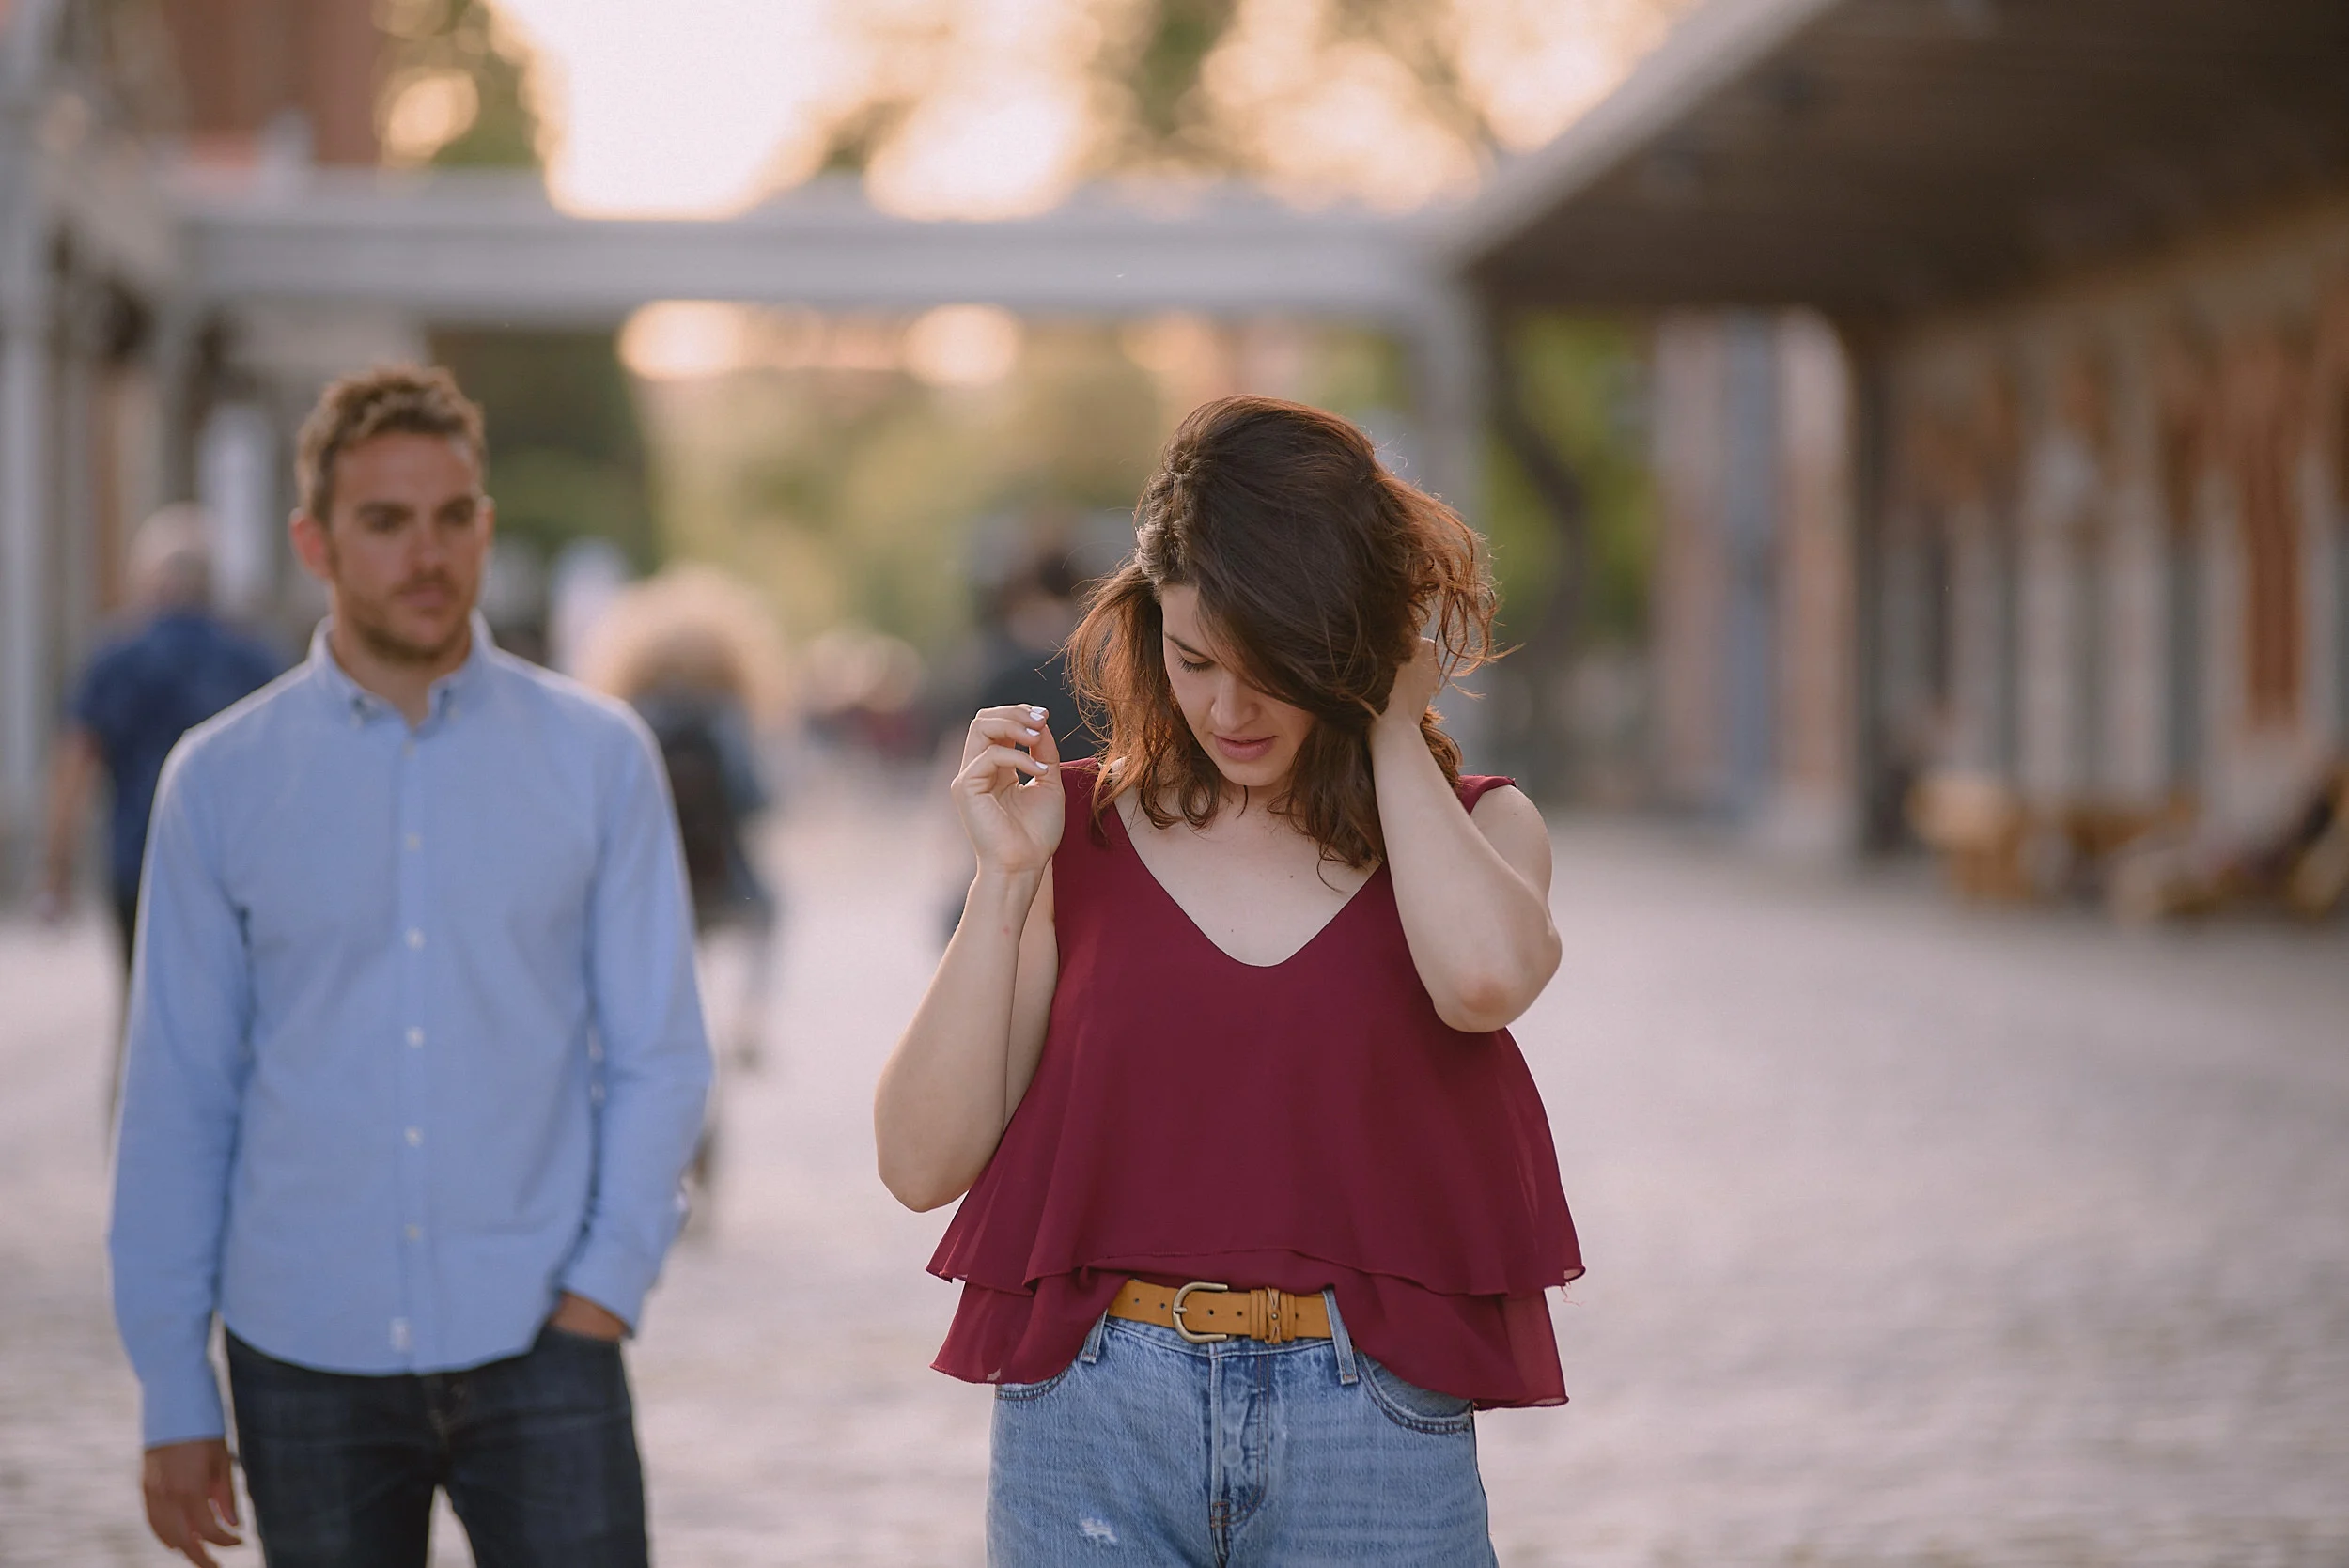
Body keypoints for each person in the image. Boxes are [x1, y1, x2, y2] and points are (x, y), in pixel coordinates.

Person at [876, 396, 1582, 1565]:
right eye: (1194, 658)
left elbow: (1481, 982)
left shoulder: (1479, 826)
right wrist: (1004, 885)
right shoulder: (1074, 838)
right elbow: (916, 1161)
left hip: (1374, 1428)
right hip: (1095, 1417)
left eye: (1270, 665)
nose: (1227, 708)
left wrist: (1394, 726)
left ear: (1347, 639)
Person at [109, 365, 713, 1568]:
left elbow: (659, 1050)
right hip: (303, 1349)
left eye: (451, 517)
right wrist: (174, 1383)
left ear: (484, 527)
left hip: (545, 1334)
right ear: (314, 542)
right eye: (384, 521)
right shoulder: (219, 781)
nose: (424, 553)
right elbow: (179, 1094)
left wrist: (603, 1288)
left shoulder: (598, 758)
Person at [39, 505, 282, 980]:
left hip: (137, 862)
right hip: (230, 868)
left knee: (145, 998)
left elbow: (74, 766)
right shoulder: (252, 660)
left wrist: (56, 868)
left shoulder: (114, 660)